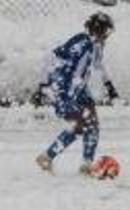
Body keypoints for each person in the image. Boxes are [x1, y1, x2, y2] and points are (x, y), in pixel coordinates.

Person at [34, 12, 119, 176]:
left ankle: (84, 163)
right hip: (64, 89)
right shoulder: (82, 43)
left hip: (78, 89)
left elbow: (98, 65)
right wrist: (43, 86)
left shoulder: (95, 45)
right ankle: (50, 157)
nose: (107, 37)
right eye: (106, 32)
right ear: (98, 30)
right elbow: (51, 57)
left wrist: (109, 85)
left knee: (89, 123)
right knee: (81, 125)